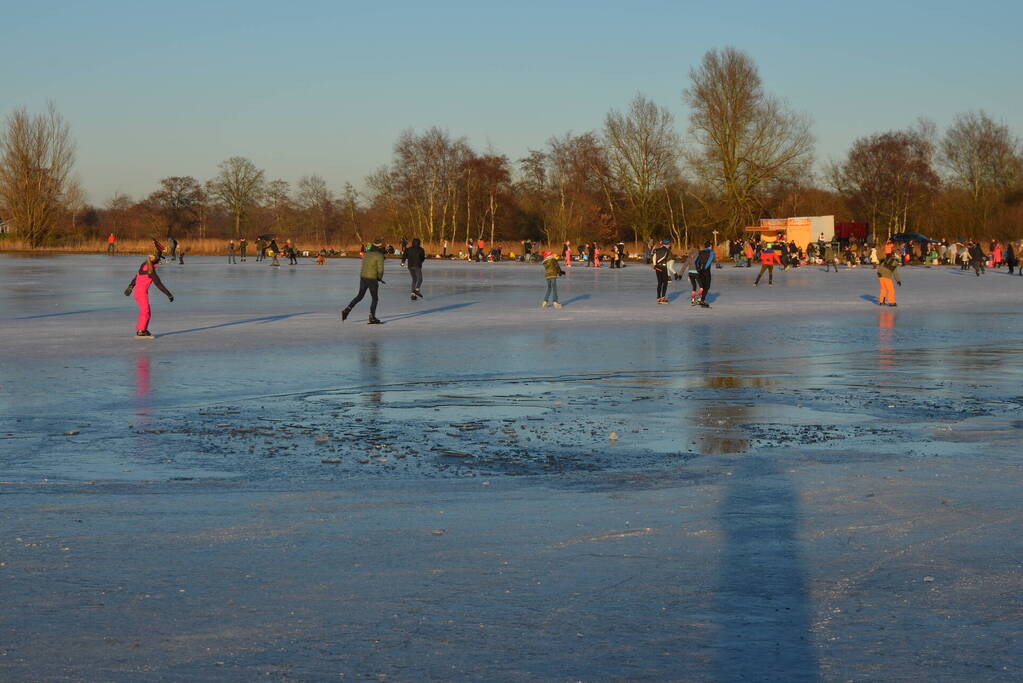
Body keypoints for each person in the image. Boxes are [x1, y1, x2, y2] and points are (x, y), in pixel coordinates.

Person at [123, 245, 174, 338]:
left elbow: (136, 276)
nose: (158, 262)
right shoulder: (151, 272)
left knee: (147, 312)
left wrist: (130, 287)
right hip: (141, 294)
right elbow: (159, 284)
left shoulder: (144, 264)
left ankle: (143, 329)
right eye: (157, 261)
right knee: (145, 311)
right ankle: (141, 331)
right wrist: (169, 294)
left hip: (137, 293)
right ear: (154, 262)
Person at [341, 239, 385, 324]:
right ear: (379, 247)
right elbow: (381, 270)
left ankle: (347, 310)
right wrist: (379, 277)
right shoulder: (379, 255)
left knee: (360, 296)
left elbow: (364, 265)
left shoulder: (367, 253)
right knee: (375, 298)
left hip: (363, 277)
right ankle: (372, 317)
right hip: (372, 279)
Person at [693, 241, 715, 308]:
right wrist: (705, 268)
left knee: (702, 286)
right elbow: (709, 261)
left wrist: (698, 269)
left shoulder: (700, 252)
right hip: (706, 271)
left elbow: (696, 262)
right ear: (710, 246)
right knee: (707, 286)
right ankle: (702, 300)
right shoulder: (711, 252)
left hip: (700, 271)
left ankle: (700, 299)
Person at [652, 239, 672, 304]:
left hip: (657, 267)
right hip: (663, 267)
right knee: (665, 283)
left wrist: (655, 265)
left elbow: (653, 257)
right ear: (666, 244)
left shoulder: (657, 250)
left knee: (660, 282)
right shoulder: (667, 250)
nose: (669, 245)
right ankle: (663, 297)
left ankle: (658, 298)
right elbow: (668, 259)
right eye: (669, 244)